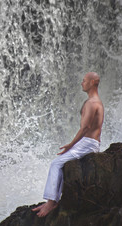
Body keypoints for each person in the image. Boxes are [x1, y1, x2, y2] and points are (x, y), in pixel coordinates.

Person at [32, 72, 104, 217]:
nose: (81, 83)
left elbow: (85, 128)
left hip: (89, 143)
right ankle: (53, 199)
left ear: (92, 83)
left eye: (84, 81)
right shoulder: (94, 101)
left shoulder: (92, 103)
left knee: (56, 163)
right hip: (88, 142)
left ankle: (51, 202)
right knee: (61, 162)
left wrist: (71, 145)